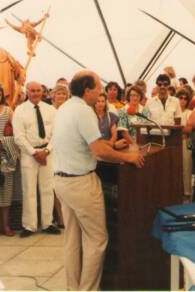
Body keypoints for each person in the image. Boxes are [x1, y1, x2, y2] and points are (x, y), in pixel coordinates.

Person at [52, 70, 144, 291]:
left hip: (62, 182)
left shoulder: (64, 108)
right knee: (97, 240)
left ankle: (73, 288)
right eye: (99, 89)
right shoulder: (84, 112)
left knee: (73, 240)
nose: (101, 92)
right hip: (81, 184)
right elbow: (99, 150)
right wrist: (129, 157)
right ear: (87, 90)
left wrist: (111, 146)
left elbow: (88, 144)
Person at [13, 81, 60, 237]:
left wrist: (46, 151)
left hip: (47, 152)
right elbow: (19, 137)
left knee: (48, 189)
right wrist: (34, 153)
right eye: (32, 90)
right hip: (29, 154)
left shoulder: (51, 110)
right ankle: (29, 225)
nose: (35, 93)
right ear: (27, 91)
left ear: (43, 92)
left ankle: (47, 223)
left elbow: (57, 133)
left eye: (38, 90)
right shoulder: (20, 110)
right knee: (29, 190)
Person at [0, 85, 16, 237]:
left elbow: (15, 131)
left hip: (5, 154)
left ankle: (6, 225)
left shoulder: (8, 111)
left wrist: (3, 141)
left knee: (6, 191)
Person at [51, 84, 70, 228]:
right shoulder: (50, 111)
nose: (61, 96)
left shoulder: (70, 111)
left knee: (65, 186)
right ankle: (59, 217)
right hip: (51, 151)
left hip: (66, 151)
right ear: (53, 96)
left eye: (64, 94)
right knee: (54, 186)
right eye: (59, 94)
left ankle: (66, 217)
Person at [176, 90, 193, 199]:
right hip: (174, 142)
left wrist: (179, 129)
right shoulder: (173, 112)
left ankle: (187, 192)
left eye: (185, 98)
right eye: (180, 98)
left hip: (185, 141)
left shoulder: (189, 112)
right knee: (175, 167)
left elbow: (189, 129)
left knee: (187, 167)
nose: (182, 100)